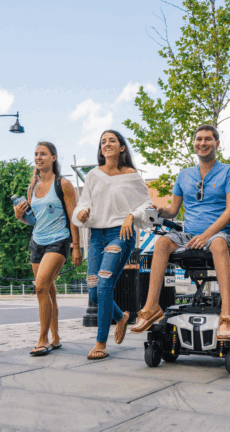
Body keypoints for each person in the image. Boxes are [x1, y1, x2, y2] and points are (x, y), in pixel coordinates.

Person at [130, 124, 230, 341]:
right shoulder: (184, 175)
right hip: (189, 235)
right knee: (162, 242)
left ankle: (227, 316)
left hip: (219, 235)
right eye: (199, 139)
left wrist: (207, 235)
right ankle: (151, 307)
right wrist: (161, 211)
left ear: (217, 144)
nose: (203, 143)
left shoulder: (229, 171)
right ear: (194, 144)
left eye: (208, 139)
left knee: (218, 243)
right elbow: (173, 211)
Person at [73, 130, 153, 360]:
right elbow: (82, 206)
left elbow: (147, 204)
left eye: (112, 141)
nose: (106, 144)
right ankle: (121, 317)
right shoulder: (92, 175)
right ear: (101, 149)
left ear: (121, 148)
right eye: (103, 142)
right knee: (94, 291)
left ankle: (100, 343)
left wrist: (132, 215)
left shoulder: (132, 175)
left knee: (105, 285)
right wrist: (83, 213)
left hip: (121, 233)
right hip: (96, 236)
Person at [14, 142, 82, 356]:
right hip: (37, 242)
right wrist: (20, 217)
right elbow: (33, 220)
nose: (38, 158)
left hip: (58, 241)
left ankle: (42, 339)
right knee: (48, 289)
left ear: (53, 157)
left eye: (43, 154)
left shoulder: (64, 184)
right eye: (35, 154)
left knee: (41, 286)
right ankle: (56, 337)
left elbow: (74, 218)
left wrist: (76, 246)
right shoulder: (32, 185)